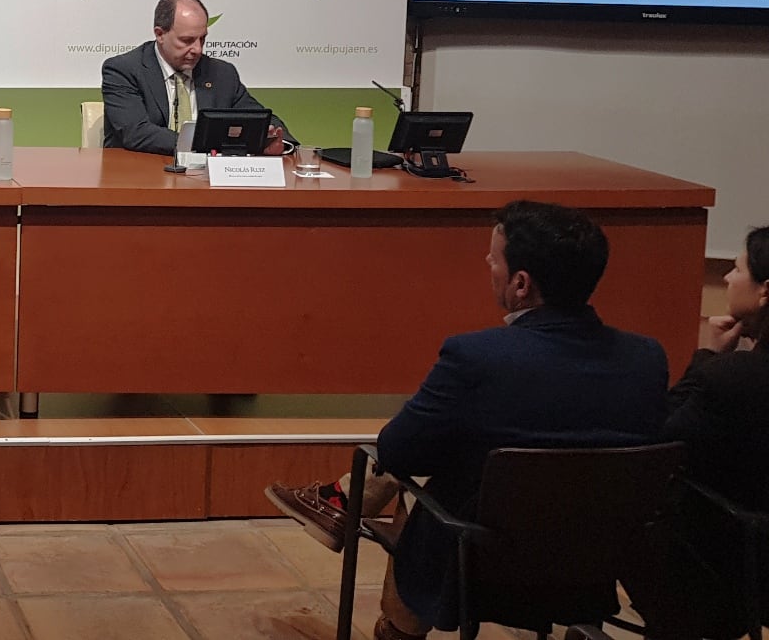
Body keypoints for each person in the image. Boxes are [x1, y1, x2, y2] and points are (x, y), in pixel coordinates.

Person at [263, 201, 668, 639]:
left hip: (476, 560)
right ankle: (340, 503)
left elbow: (397, 449)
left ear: (521, 283)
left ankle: (395, 627)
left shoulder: (477, 357)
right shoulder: (647, 358)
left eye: (494, 258)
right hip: (592, 561)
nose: (487, 264)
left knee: (422, 480)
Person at [622, 225, 769, 639]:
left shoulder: (732, 377)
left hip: (728, 569)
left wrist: (705, 358)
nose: (726, 277)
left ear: (764, 292)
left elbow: (659, 442)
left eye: (737, 268)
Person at [100, 0, 293, 156]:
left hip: (208, 180)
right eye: (187, 40)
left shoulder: (222, 73)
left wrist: (275, 140)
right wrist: (205, 144)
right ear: (160, 34)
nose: (198, 49)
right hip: (141, 175)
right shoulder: (123, 70)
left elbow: (259, 117)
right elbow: (136, 132)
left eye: (202, 39)